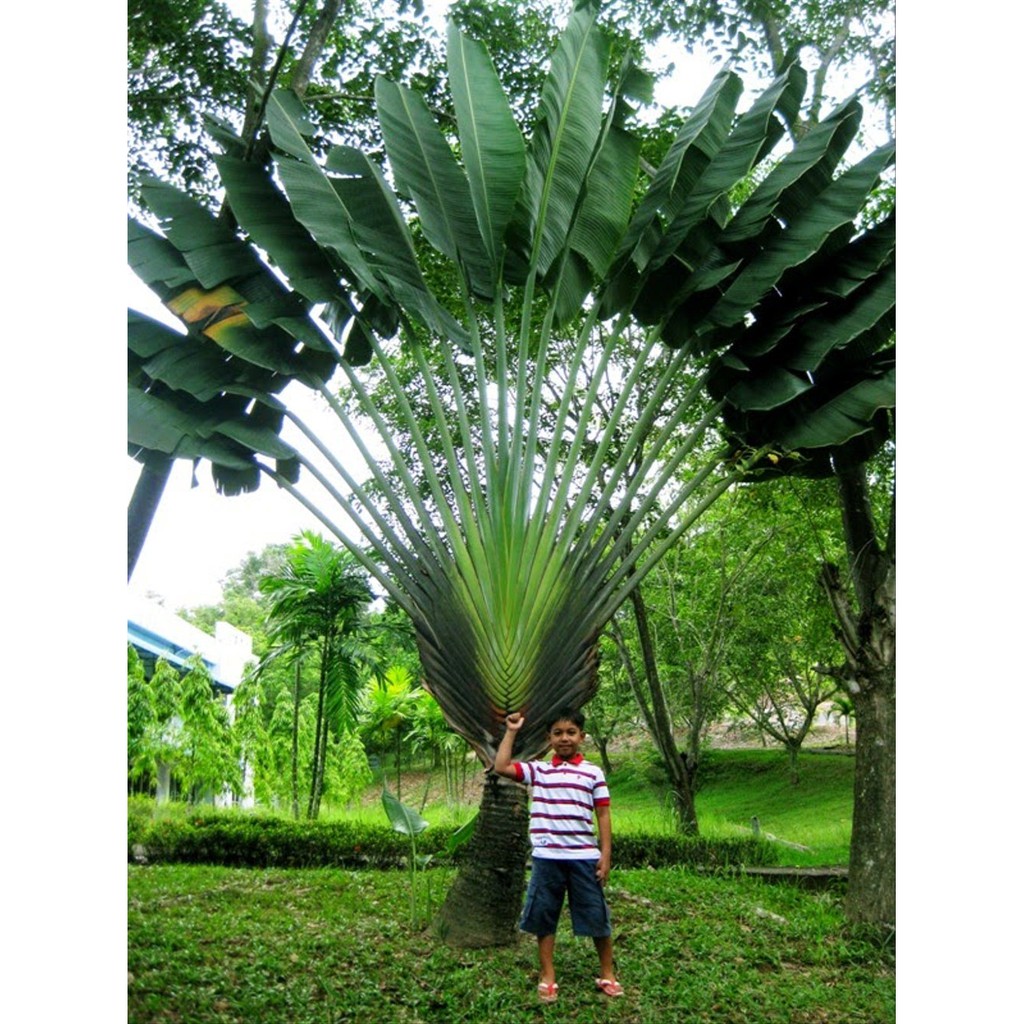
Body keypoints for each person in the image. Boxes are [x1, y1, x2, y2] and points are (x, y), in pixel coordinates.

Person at [493, 707, 624, 1004]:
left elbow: (602, 814)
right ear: (548, 738)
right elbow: (501, 766)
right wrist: (511, 730)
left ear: (582, 736)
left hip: (584, 857)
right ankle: (548, 976)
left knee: (596, 914)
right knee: (544, 916)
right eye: (557, 733)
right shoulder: (538, 770)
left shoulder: (593, 772)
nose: (564, 738)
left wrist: (605, 855)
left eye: (571, 732)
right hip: (546, 858)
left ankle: (607, 973)